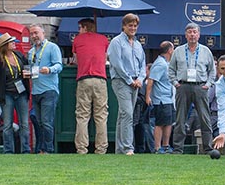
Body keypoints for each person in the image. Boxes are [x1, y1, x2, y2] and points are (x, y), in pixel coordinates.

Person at [168, 22, 216, 155]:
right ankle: (178, 148)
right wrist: (175, 83)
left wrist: (208, 83)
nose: (192, 35)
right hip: (183, 86)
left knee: (205, 117)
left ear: (199, 34)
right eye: (190, 32)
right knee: (180, 118)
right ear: (186, 35)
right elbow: (171, 69)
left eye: (195, 32)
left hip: (200, 86)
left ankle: (208, 148)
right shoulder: (178, 51)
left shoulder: (206, 51)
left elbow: (212, 70)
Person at [107, 13, 146, 155]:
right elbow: (117, 64)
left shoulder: (137, 44)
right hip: (121, 81)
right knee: (128, 114)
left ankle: (120, 149)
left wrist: (140, 79)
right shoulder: (116, 42)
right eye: (130, 25)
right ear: (124, 26)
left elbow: (142, 65)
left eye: (135, 26)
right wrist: (130, 80)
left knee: (123, 115)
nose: (133, 28)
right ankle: (128, 147)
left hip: (136, 82)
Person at [0, 33, 30, 154]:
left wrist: (29, 73)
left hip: (22, 93)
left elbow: (28, 67)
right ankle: (8, 151)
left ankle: (25, 150)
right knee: (7, 125)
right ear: (5, 45)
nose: (14, 43)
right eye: (11, 42)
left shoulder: (19, 56)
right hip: (7, 95)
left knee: (24, 124)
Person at [72, 17, 110, 154]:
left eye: (79, 28)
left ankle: (82, 148)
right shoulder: (104, 39)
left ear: (84, 27)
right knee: (101, 116)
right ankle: (101, 148)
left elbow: (75, 60)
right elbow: (105, 58)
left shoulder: (77, 40)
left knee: (82, 115)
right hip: (100, 79)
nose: (78, 30)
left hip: (83, 79)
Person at [27, 24, 62, 154]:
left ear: (43, 33)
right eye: (31, 34)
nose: (34, 36)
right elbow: (31, 69)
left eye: (36, 33)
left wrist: (50, 69)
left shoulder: (52, 47)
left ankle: (49, 150)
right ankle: (41, 149)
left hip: (49, 90)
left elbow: (59, 65)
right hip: (35, 90)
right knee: (39, 122)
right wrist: (28, 73)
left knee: (47, 122)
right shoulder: (31, 52)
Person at [146, 41, 175, 154]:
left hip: (168, 98)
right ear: (169, 50)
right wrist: (148, 97)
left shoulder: (166, 63)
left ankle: (166, 146)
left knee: (168, 123)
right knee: (160, 123)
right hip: (161, 99)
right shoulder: (160, 64)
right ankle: (157, 147)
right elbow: (151, 81)